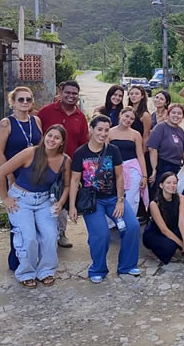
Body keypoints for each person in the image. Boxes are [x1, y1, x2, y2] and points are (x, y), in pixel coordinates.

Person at [0, 125, 70, 287]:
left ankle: (46, 271)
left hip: (44, 200)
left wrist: (61, 202)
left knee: (50, 236)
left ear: (62, 142)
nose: (52, 140)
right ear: (45, 136)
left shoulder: (65, 160)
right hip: (21, 199)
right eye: (50, 135)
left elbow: (67, 185)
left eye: (57, 138)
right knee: (28, 237)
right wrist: (5, 198)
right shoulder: (30, 153)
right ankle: (26, 272)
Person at [68, 115, 140, 283]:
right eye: (99, 129)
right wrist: (72, 206)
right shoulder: (81, 153)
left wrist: (120, 200)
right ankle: (98, 269)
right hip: (93, 201)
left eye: (106, 130)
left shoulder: (113, 150)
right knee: (101, 235)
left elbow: (120, 176)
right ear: (91, 129)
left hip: (113, 198)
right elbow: (74, 181)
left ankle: (127, 265)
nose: (103, 133)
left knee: (132, 226)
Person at [0, 87, 44, 271]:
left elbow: (41, 146)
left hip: (35, 176)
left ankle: (35, 259)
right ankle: (16, 260)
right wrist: (9, 176)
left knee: (36, 221)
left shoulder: (35, 120)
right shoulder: (6, 123)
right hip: (15, 176)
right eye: (20, 99)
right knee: (18, 220)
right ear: (12, 102)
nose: (25, 103)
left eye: (28, 99)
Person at [37, 80, 89, 248]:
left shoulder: (80, 117)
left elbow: (83, 144)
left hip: (68, 166)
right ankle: (43, 234)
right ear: (60, 92)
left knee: (62, 201)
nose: (71, 96)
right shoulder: (46, 111)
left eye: (74, 93)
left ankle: (61, 234)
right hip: (45, 164)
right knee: (43, 199)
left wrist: (80, 169)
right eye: (67, 92)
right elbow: (37, 136)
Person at [143, 172, 184, 265]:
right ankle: (154, 251)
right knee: (169, 246)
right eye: (168, 183)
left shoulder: (181, 198)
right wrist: (182, 245)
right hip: (156, 233)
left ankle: (176, 246)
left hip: (173, 228)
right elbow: (164, 230)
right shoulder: (154, 204)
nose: (172, 185)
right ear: (161, 185)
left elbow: (182, 222)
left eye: (175, 183)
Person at [109, 107, 149, 221]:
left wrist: (144, 176)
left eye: (131, 119)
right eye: (126, 116)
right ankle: (113, 223)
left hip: (132, 169)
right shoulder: (109, 132)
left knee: (132, 198)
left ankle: (129, 221)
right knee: (113, 196)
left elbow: (140, 155)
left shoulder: (135, 134)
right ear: (121, 115)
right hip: (114, 169)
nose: (128, 120)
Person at [148, 103, 184, 186]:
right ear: (168, 114)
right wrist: (154, 169)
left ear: (182, 117)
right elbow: (152, 149)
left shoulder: (181, 131)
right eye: (173, 112)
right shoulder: (161, 127)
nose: (176, 115)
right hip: (162, 166)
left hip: (176, 167)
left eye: (179, 113)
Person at [127, 85, 151, 150]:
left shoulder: (145, 115)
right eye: (131, 94)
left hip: (138, 148)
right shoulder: (127, 111)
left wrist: (142, 152)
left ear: (142, 96)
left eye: (137, 94)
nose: (133, 96)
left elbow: (146, 137)